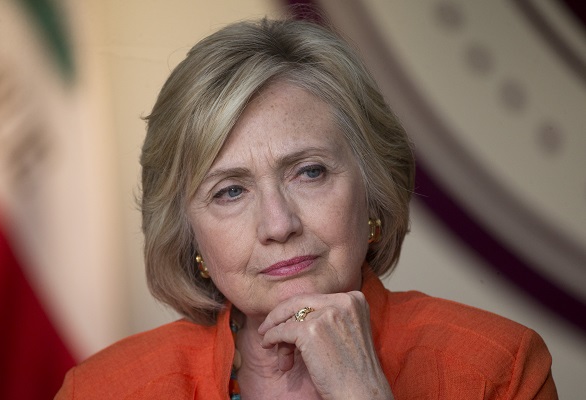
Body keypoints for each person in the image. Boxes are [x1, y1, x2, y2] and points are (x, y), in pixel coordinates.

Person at [55, 18, 557, 399]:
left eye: (309, 172)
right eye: (230, 191)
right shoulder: (103, 388)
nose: (278, 225)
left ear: (372, 189)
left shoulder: (497, 369)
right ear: (188, 235)